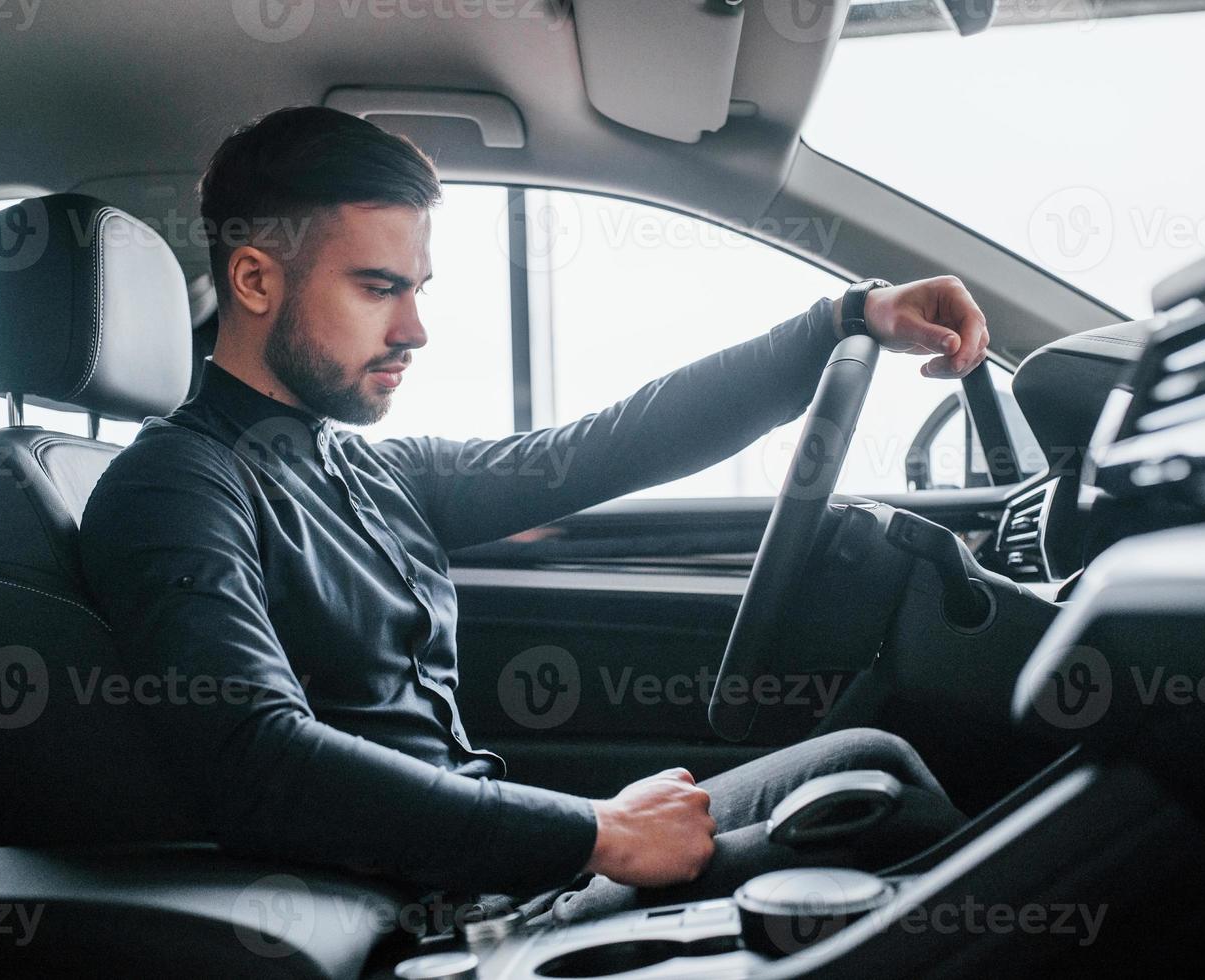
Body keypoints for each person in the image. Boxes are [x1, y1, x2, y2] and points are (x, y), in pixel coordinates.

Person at [79, 106, 987, 923]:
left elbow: (603, 446)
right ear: (252, 279)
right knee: (885, 819)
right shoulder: (176, 489)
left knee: (865, 764)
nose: (414, 331)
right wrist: (594, 832)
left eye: (418, 289)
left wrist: (845, 318)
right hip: (419, 921)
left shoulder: (366, 467)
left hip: (498, 879)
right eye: (376, 287)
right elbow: (256, 762)